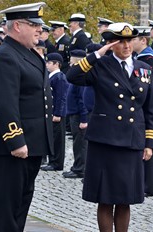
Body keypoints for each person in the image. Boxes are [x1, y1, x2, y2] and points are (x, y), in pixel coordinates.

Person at [66, 22, 153, 232]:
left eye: (129, 41)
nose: (126, 46)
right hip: (105, 140)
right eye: (120, 42)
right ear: (110, 44)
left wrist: (149, 142)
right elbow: (73, 76)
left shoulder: (145, 69)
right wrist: (97, 54)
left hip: (132, 140)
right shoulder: (100, 65)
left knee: (126, 198)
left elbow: (151, 109)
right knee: (105, 198)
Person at [0, 2, 53, 231]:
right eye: (34, 24)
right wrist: (16, 140)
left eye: (40, 26)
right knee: (8, 210)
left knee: (21, 207)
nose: (39, 30)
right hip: (13, 147)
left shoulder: (28, 53)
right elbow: (5, 104)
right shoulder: (6, 56)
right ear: (17, 26)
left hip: (32, 145)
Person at [132, 26, 153, 197]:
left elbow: (150, 84)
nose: (131, 43)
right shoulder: (140, 57)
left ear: (143, 40)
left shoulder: (148, 59)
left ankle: (148, 184)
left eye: (134, 39)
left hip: (146, 105)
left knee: (147, 145)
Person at [63, 49, 89, 178]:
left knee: (80, 144)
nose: (70, 64)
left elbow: (82, 100)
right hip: (74, 114)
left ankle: (80, 168)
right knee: (77, 142)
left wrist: (84, 120)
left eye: (72, 62)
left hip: (79, 115)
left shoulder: (81, 76)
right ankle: (77, 166)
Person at [41, 53, 69, 171]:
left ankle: (57, 162)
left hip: (56, 114)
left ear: (57, 64)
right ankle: (52, 160)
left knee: (57, 139)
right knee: (52, 137)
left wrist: (58, 113)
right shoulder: (51, 76)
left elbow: (61, 97)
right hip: (51, 112)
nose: (47, 65)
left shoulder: (59, 77)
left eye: (49, 63)